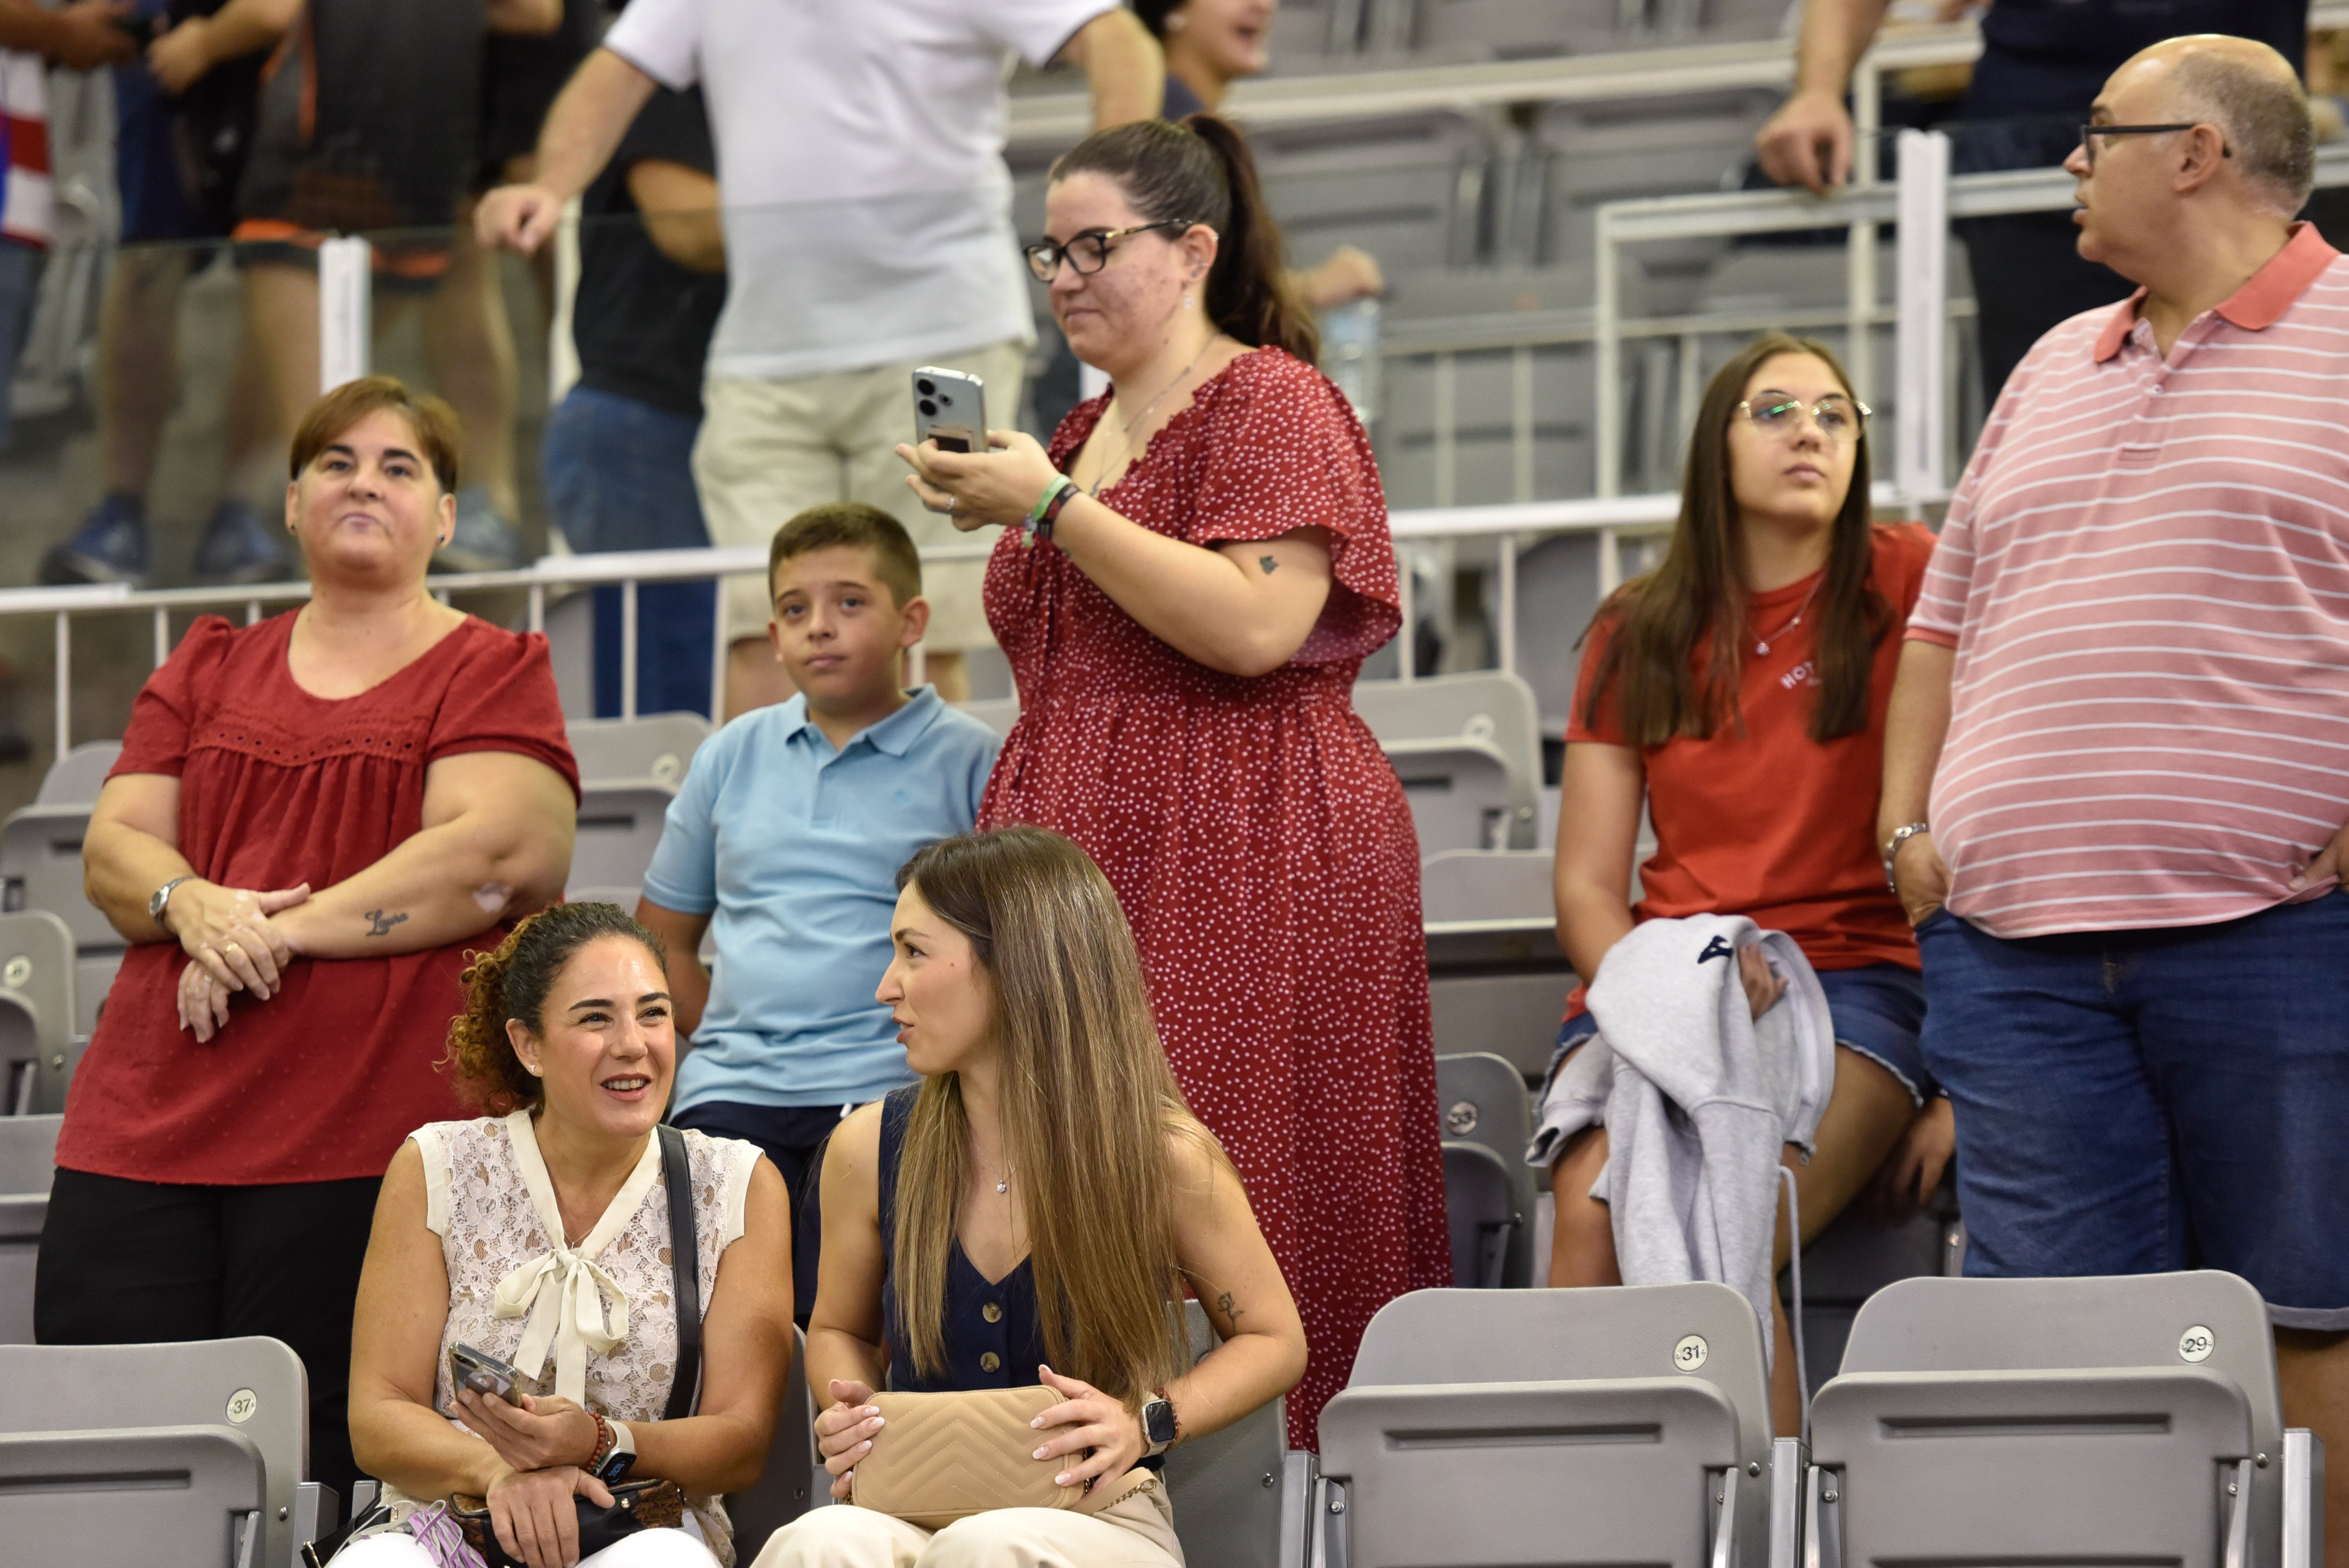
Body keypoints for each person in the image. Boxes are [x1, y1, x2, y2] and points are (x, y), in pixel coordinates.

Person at [896, 115, 1449, 1448]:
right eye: (1048, 253)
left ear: (1193, 247)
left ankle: (1282, 1491)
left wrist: (1048, 510)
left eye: (1095, 245)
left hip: (1241, 836)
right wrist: (1033, 493)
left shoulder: (1270, 397)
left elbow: (1258, 627)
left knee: (1226, 1177)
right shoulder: (1080, 425)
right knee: (1075, 1190)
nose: (1065, 274)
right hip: (1077, 858)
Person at [1879, 36, 2349, 1555]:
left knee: (2306, 1321)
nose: (2070, 161)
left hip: (2274, 937)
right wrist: (1907, 834)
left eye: (2099, 136)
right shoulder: (2045, 361)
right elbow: (1941, 626)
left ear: (2198, 153)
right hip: (2010, 956)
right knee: (2068, 1353)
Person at [34, 376, 580, 1503]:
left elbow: (499, 857)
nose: (363, 481)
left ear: (444, 515)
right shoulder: (208, 663)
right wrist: (193, 903)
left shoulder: (490, 665)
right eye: (336, 461)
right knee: (119, 1472)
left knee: (326, 1476)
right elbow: (114, 848)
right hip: (143, 1128)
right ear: (290, 502)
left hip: (365, 1130)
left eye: (399, 465)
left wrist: (260, 928)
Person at [475, 0, 1162, 713]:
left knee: (920, 634)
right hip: (761, 357)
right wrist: (549, 186)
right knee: (764, 636)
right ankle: (770, 830)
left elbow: (1118, 41)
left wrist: (1103, 193)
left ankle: (933, 833)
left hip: (944, 341)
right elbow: (616, 70)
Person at [1539, 332, 1946, 1437]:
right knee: (1586, 1220)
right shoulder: (1639, 624)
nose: (1810, 429)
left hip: (1859, 982)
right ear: (1713, 447)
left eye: (1835, 412)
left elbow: (1988, 819)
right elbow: (1586, 882)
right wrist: (1675, 981)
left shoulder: (1910, 578)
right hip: (1669, 975)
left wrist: (1969, 1081)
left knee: (1722, 1218)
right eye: (1773, 409)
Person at [752, 826, 1307, 1568]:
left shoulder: (1163, 1154)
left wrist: (1147, 1422)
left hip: (1103, 1511)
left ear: (1014, 967)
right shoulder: (865, 1145)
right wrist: (847, 1407)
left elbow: (1274, 1340)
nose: (887, 985)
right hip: (910, 1503)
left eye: (914, 952)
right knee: (814, 1543)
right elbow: (836, 1332)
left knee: (990, 1547)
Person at [636, 503, 1001, 1329]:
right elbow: (662, 940)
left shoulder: (972, 759)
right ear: (772, 633)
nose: (819, 629)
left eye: (848, 603)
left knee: (878, 1327)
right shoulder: (730, 753)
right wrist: (738, 1026)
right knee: (726, 1331)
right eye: (795, 610)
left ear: (912, 621)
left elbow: (1002, 953)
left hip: (894, 1086)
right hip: (731, 1088)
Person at [343, 901, 793, 1568]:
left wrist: (595, 1442)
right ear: (528, 1045)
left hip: (639, 1526)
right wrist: (499, 1472)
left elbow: (743, 1441)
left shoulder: (737, 1180)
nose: (633, 1044)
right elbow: (378, 1415)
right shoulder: (437, 1164)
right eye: (595, 1019)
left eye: (653, 1013)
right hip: (454, 1516)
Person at [1751, 0, 2306, 398]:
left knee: (2270, 390)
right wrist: (1818, 91)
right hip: (2027, 141)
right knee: (2061, 399)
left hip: (2239, 133)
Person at [224, 0, 563, 573]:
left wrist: (198, 44)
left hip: (390, 164)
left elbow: (266, 12)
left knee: (325, 432)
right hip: (360, 163)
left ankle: (246, 508)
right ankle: (240, 509)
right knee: (319, 415)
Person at [35, 0, 290, 586]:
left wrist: (218, 38)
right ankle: (121, 511)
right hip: (168, 43)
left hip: (292, 51)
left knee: (281, 263)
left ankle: (239, 511)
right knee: (148, 257)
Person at [542, 73, 726, 718]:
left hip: (672, 421)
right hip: (644, 423)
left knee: (686, 691)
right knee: (671, 713)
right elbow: (690, 228)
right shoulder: (668, 76)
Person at [1131, 0, 1382, 309]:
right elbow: (1187, 293)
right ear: (1173, 11)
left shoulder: (1185, 119)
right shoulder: (1173, 135)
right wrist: (1311, 289)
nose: (1264, 5)